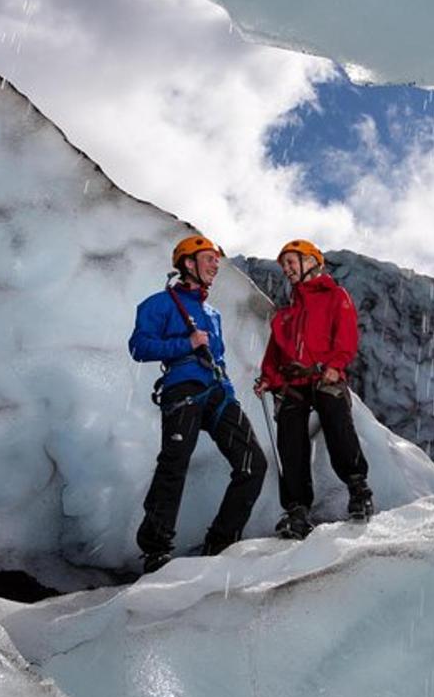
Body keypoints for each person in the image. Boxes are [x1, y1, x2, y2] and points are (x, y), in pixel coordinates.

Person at [129, 234, 267, 574]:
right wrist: (185, 343)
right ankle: (156, 549)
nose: (215, 267)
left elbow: (217, 357)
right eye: (209, 260)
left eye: (217, 262)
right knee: (174, 464)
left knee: (253, 463)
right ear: (188, 264)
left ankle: (220, 544)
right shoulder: (159, 305)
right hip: (182, 388)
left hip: (218, 391)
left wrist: (231, 396)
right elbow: (139, 347)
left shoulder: (212, 313)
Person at [254, 239, 373, 539]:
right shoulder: (286, 315)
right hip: (294, 383)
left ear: (311, 262)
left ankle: (358, 488)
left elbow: (345, 336)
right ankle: (297, 510)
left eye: (291, 262)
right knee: (290, 439)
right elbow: (274, 355)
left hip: (323, 376)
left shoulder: (335, 296)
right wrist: (269, 378)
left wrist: (334, 365)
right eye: (284, 265)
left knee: (336, 422)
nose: (287, 269)